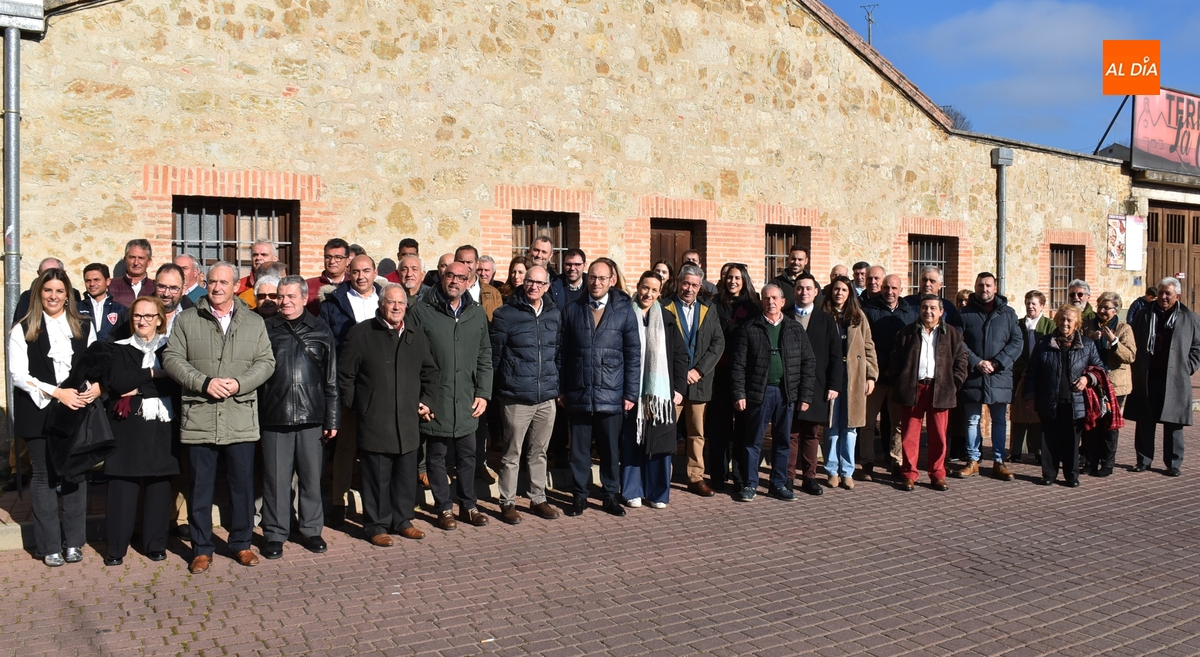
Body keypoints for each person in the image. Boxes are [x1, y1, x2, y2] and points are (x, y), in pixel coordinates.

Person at [163, 261, 276, 574]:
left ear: (235, 285)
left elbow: (266, 362)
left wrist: (240, 383)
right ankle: (201, 549)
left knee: (242, 486)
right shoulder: (187, 319)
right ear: (204, 282)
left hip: (240, 416)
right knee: (200, 486)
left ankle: (241, 544)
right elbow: (171, 358)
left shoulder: (253, 321)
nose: (216, 288)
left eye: (223, 282)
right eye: (212, 281)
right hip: (201, 415)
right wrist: (204, 382)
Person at [8, 269, 98, 567]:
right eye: (48, 290)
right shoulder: (23, 328)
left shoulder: (84, 326)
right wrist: (58, 394)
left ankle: (74, 542)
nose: (54, 296)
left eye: (60, 291)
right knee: (45, 475)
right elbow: (19, 375)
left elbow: (97, 364)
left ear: (68, 295)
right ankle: (49, 546)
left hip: (75, 410)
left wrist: (95, 388)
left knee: (74, 472)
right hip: (38, 410)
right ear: (39, 293)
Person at [338, 284, 439, 546]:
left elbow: (430, 372)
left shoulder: (415, 335)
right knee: (377, 478)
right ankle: (376, 525)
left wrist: (427, 401)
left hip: (407, 420)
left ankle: (403, 520)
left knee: (405, 476)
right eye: (391, 302)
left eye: (401, 303)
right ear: (380, 305)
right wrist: (358, 406)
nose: (396, 307)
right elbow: (345, 375)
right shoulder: (361, 334)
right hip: (375, 420)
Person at [258, 276, 340, 558]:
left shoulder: (321, 330)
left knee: (310, 478)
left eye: (291, 296)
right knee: (275, 480)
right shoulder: (265, 329)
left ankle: (311, 530)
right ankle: (275, 533)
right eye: (280, 296)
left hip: (312, 416)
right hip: (274, 416)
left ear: (305, 298)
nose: (285, 301)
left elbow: (331, 379)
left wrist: (332, 419)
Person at [407, 261, 494, 530]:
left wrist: (484, 393)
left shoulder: (476, 313)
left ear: (469, 282)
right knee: (437, 456)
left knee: (468, 456)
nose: (455, 281)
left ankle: (469, 505)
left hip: (468, 398)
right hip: (437, 399)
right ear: (441, 277)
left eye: (461, 277)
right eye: (449, 276)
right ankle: (443, 507)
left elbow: (485, 355)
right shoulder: (421, 311)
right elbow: (411, 357)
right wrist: (421, 397)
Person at [101, 296, 180, 566]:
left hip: (162, 426)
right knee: (123, 484)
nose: (142, 321)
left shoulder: (170, 348)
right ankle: (116, 548)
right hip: (127, 427)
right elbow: (116, 382)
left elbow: (176, 385)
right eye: (137, 316)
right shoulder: (118, 348)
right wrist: (153, 374)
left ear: (159, 319)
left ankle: (155, 543)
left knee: (159, 484)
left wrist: (138, 386)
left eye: (148, 316)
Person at [559, 259, 641, 517]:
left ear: (612, 280)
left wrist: (630, 393)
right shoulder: (572, 309)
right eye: (592, 277)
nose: (596, 283)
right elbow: (561, 353)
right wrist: (562, 388)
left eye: (602, 278)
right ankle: (580, 496)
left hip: (612, 393)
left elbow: (633, 353)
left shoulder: (624, 310)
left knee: (609, 449)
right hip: (579, 391)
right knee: (579, 451)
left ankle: (609, 495)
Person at [489, 265, 562, 523]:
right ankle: (507, 502)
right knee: (512, 453)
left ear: (547, 286)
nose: (533, 286)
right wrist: (497, 390)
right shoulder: (505, 314)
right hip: (516, 396)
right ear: (523, 282)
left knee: (539, 451)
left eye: (539, 283)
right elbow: (494, 357)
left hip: (546, 397)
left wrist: (557, 386)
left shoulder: (554, 314)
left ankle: (538, 498)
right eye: (530, 281)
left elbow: (558, 353)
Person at [731, 283, 815, 502]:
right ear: (761, 301)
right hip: (760, 392)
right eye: (766, 298)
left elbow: (808, 362)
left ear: (783, 302)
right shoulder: (749, 328)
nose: (771, 302)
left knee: (783, 440)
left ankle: (778, 484)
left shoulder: (795, 329)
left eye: (775, 298)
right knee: (753, 441)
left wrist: (805, 396)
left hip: (786, 393)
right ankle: (750, 484)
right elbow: (738, 365)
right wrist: (739, 393)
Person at [620, 271, 688, 508]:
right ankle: (632, 491)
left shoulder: (667, 319)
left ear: (660, 293)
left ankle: (658, 493)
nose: (648, 293)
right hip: (631, 391)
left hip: (660, 394)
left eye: (654, 290)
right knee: (632, 441)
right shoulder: (623, 314)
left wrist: (679, 388)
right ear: (638, 286)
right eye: (645, 287)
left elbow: (680, 356)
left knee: (659, 442)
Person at [889, 295, 969, 491]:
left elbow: (961, 362)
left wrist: (953, 384)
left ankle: (937, 474)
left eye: (933, 308)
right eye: (925, 307)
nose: (928, 311)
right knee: (909, 434)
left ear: (941, 311)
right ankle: (909, 474)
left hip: (940, 389)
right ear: (920, 310)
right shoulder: (906, 333)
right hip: (913, 388)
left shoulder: (952, 334)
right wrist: (901, 382)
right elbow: (895, 362)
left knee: (939, 436)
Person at [1022, 305, 1105, 486]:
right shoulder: (1044, 343)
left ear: (1077, 323)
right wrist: (1030, 396)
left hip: (1075, 402)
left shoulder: (1087, 344)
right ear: (1056, 320)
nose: (1065, 323)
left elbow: (1100, 370)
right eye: (1062, 319)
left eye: (1069, 320)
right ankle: (1049, 474)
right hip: (1049, 399)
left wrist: (1087, 379)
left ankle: (1071, 476)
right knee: (1050, 439)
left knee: (1072, 441)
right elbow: (1032, 372)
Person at [660, 264, 725, 497]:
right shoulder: (664, 307)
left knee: (696, 432)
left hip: (699, 381)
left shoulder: (709, 309)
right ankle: (661, 476)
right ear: (678, 282)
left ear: (700, 287)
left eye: (694, 285)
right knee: (665, 430)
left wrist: (698, 370)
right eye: (685, 283)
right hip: (671, 383)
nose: (689, 288)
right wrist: (679, 372)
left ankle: (695, 477)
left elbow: (718, 343)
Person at [1125, 277, 1200, 476]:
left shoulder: (1189, 317)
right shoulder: (1144, 314)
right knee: (1145, 420)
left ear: (1178, 295)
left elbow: (1197, 347)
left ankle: (1173, 464)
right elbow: (1132, 341)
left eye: (1168, 293)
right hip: (1148, 376)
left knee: (1174, 423)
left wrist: (1188, 367)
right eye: (1160, 293)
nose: (1163, 297)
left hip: (1175, 378)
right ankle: (1143, 460)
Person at [954, 272, 1023, 481]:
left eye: (988, 286)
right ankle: (973, 461)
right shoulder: (964, 314)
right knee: (972, 420)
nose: (984, 289)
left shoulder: (1008, 314)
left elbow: (1017, 343)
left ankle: (999, 461)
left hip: (999, 375)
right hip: (974, 374)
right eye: (981, 285)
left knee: (1000, 421)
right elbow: (958, 342)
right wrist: (976, 361)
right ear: (975, 287)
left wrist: (996, 362)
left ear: (995, 288)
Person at [818, 275, 877, 489]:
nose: (839, 293)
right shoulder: (823, 315)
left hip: (855, 377)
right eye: (836, 289)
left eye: (843, 290)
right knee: (832, 425)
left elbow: (868, 347)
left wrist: (871, 376)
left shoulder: (858, 316)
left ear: (849, 293)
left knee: (850, 427)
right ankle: (832, 470)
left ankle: (847, 471)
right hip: (831, 377)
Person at [789, 273, 843, 496]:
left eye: (808, 288)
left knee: (811, 433)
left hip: (817, 385)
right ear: (794, 291)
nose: (804, 292)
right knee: (790, 434)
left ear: (815, 292)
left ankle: (809, 477)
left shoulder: (826, 320)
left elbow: (835, 355)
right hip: (789, 385)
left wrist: (834, 385)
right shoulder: (784, 316)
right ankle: (788, 476)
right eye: (800, 288)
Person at [860, 274, 917, 480]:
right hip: (874, 376)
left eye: (894, 288)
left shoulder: (909, 313)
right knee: (867, 422)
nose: (889, 291)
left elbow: (911, 345)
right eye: (886, 287)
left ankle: (896, 460)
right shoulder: (869, 310)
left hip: (899, 377)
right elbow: (867, 341)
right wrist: (880, 366)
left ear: (901, 290)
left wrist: (896, 368)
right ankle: (867, 462)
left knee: (898, 423)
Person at [708, 263, 759, 490]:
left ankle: (740, 476)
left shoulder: (753, 307)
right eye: (730, 277)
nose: (733, 281)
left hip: (743, 376)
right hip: (718, 373)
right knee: (718, 428)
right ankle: (718, 475)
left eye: (738, 278)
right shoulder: (713, 304)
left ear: (744, 280)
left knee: (742, 428)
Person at [1081, 292, 1135, 477]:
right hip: (1092, 382)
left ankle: (1107, 463)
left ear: (1116, 310)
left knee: (1109, 424)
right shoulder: (1088, 325)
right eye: (1100, 307)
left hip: (1114, 384)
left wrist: (1114, 342)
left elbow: (1130, 356)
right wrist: (1090, 339)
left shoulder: (1124, 328)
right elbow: (1078, 347)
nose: (1102, 311)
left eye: (1107, 308)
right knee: (1091, 423)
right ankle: (1090, 462)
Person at [1010, 290, 1055, 464]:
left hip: (1041, 377)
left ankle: (1037, 450)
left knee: (1038, 414)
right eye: (1028, 303)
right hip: (1021, 375)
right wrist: (1023, 368)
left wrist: (1038, 370)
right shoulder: (1018, 324)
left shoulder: (1049, 325)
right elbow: (1014, 347)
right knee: (1019, 413)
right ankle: (1015, 451)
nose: (1030, 306)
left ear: (1042, 306)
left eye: (1034, 303)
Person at [81, 262, 127, 342]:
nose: (92, 284)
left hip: (111, 353)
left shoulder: (120, 310)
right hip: (84, 354)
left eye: (96, 280)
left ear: (107, 281)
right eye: (88, 281)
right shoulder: (76, 309)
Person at [306, 237, 351, 314]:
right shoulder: (308, 286)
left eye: (338, 257)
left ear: (347, 261)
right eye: (328, 257)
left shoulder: (352, 285)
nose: (332, 261)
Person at [107, 239, 157, 307]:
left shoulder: (155, 287)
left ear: (149, 262)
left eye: (141, 258)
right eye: (132, 257)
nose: (136, 263)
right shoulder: (111, 286)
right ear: (125, 260)